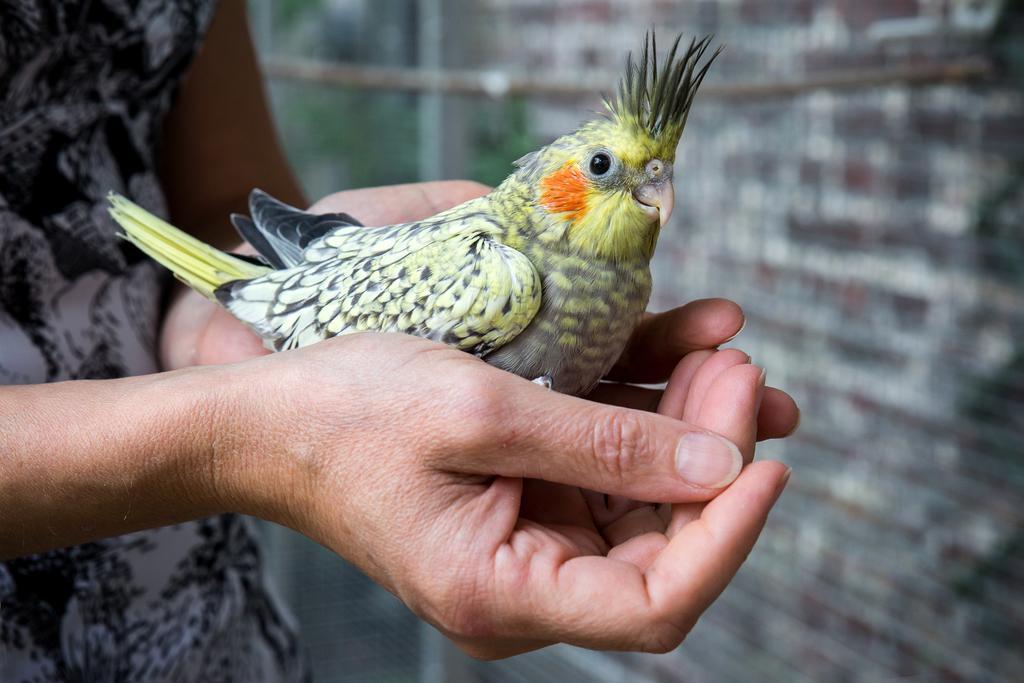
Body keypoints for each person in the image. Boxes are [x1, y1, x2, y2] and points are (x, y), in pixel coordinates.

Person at [0, 0, 800, 680]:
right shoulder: (506, 274)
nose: (644, 187)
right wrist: (246, 432)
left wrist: (203, 337)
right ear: (557, 175)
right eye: (603, 166)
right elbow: (343, 385)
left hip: (206, 614)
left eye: (653, 173)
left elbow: (213, 190)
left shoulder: (626, 284)